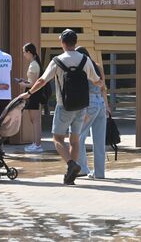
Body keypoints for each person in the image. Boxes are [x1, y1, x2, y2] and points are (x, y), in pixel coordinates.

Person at [19, 29, 102, 185]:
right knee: (75, 140)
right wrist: (101, 84)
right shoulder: (85, 60)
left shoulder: (57, 60)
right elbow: (97, 80)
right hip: (82, 105)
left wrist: (29, 92)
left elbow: (42, 81)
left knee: (57, 139)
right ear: (75, 42)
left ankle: (71, 164)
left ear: (62, 43)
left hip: (64, 106)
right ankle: (71, 174)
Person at [75, 46, 110, 179]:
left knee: (77, 136)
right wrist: (106, 106)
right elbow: (103, 88)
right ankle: (100, 173)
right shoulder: (97, 66)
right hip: (100, 103)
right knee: (99, 141)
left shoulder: (83, 67)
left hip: (89, 104)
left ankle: (83, 168)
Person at [19, 43, 44, 153]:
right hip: (34, 94)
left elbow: (32, 83)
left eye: (24, 52)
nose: (24, 55)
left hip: (34, 95)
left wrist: (23, 84)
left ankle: (37, 144)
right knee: (34, 120)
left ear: (29, 52)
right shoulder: (35, 63)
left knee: (35, 120)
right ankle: (36, 143)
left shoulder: (33, 64)